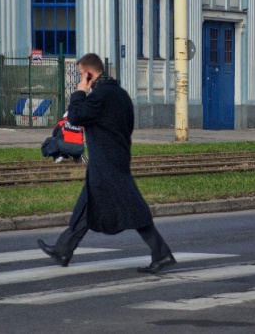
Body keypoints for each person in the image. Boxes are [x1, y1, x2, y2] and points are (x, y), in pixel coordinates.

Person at [37, 53, 176, 274]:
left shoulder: (100, 96)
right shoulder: (120, 94)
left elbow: (74, 116)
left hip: (108, 163)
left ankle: (162, 253)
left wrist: (80, 91)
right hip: (111, 159)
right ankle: (63, 250)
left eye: (82, 74)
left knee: (134, 208)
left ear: (90, 74)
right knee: (86, 205)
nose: (80, 79)